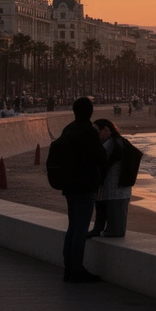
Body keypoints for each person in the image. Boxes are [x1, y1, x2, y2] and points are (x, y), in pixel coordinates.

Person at [56, 97, 111, 282]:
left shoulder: (68, 129)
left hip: (69, 184)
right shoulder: (89, 131)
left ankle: (68, 268)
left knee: (72, 226)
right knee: (80, 228)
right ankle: (77, 270)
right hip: (85, 185)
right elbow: (101, 157)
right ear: (90, 112)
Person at [88, 119, 132, 239]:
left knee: (115, 229)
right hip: (117, 189)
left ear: (107, 130)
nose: (96, 135)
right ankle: (99, 230)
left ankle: (99, 230)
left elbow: (97, 161)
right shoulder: (118, 142)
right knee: (111, 220)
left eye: (97, 131)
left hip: (115, 189)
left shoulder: (111, 144)